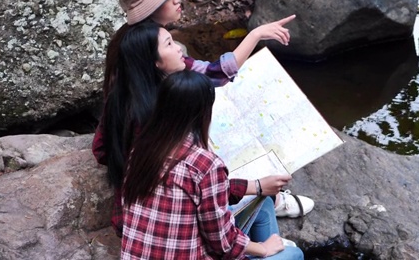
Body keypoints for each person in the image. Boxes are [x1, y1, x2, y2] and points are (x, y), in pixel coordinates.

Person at [93, 20, 313, 236]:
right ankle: (273, 204)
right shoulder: (160, 116)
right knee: (284, 244)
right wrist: (256, 186)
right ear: (155, 62)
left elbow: (100, 150)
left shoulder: (121, 95)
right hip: (173, 220)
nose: (179, 47)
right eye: (169, 44)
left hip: (138, 203)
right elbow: (198, 191)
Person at [122, 71, 304, 259]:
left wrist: (257, 186)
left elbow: (199, 196)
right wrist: (264, 248)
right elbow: (221, 242)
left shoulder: (141, 149)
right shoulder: (205, 164)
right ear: (204, 112)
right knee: (294, 254)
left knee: (264, 203)